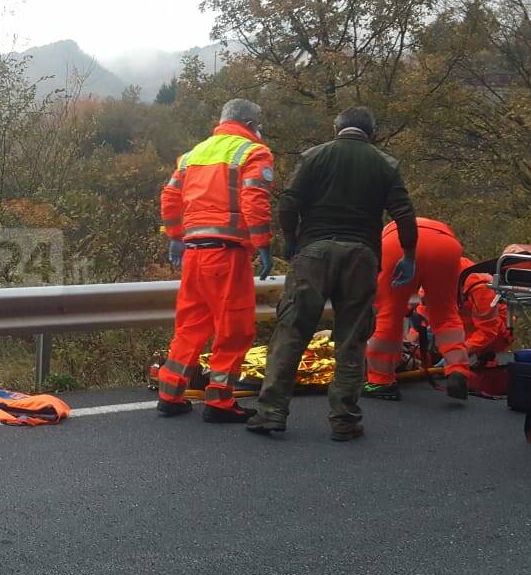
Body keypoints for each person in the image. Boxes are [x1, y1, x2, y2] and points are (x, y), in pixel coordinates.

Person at [246, 106, 417, 441]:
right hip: (362, 256)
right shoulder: (386, 164)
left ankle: (271, 413)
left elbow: (289, 204)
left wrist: (293, 240)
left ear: (336, 127)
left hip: (314, 252)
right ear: (372, 131)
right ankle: (345, 420)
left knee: (292, 331)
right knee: (352, 338)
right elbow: (404, 215)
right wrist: (408, 255)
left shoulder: (314, 157)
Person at [154, 98, 275, 423]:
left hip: (194, 255)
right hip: (227, 254)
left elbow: (169, 197)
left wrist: (177, 235)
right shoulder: (253, 152)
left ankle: (170, 394)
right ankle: (219, 402)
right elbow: (254, 198)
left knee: (191, 325)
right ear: (251, 125)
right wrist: (263, 243)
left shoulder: (193, 154)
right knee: (234, 328)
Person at [363, 217, 473, 401]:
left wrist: (398, 308)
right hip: (445, 245)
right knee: (446, 314)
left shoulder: (384, 235)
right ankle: (457, 370)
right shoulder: (435, 226)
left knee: (389, 314)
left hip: (397, 243)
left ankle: (380, 382)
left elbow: (387, 301)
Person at [404, 257, 512, 393]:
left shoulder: (480, 286)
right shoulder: (434, 275)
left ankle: (484, 367)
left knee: (478, 365)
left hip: (494, 329)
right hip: (462, 321)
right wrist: (412, 340)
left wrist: (459, 352)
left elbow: (488, 331)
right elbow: (425, 310)